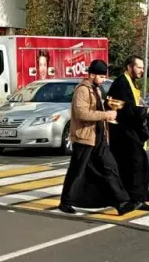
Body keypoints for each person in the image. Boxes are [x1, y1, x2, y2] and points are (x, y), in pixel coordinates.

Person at [59, 60, 137, 216]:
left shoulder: (97, 89)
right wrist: (105, 115)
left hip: (100, 137)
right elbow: (82, 114)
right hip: (85, 137)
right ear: (92, 75)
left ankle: (122, 203)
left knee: (111, 169)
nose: (103, 80)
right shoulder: (82, 90)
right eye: (101, 77)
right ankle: (65, 202)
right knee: (77, 171)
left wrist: (108, 110)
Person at [107, 56, 149, 212]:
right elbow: (124, 108)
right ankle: (131, 199)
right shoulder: (121, 83)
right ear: (129, 67)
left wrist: (143, 106)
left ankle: (138, 199)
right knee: (133, 167)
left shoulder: (129, 82)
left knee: (138, 167)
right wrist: (148, 110)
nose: (142, 71)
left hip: (131, 133)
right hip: (124, 134)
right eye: (139, 67)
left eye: (143, 68)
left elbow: (131, 104)